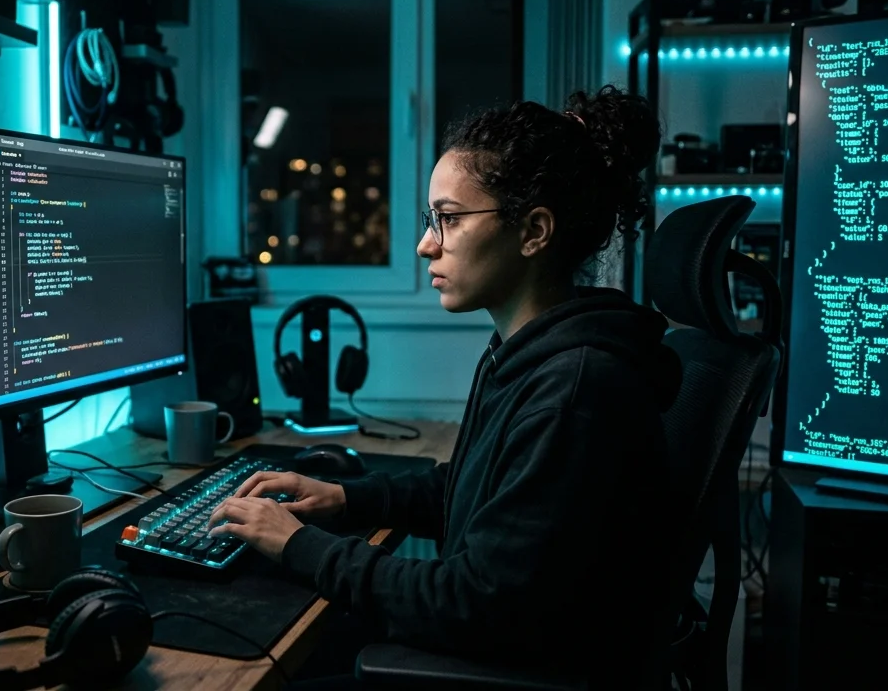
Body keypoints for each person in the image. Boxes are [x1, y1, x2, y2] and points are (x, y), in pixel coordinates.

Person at [208, 85, 683, 688]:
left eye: (449, 219)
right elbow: (478, 491)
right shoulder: (533, 350)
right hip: (497, 645)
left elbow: (473, 601)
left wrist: (301, 546)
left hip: (508, 665)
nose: (425, 243)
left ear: (534, 231)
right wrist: (346, 497)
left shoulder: (576, 389)